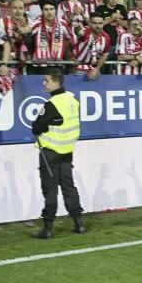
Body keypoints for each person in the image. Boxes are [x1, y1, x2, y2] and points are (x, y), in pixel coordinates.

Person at [31, 67, 86, 238]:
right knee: (69, 186)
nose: (44, 83)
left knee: (50, 190)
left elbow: (36, 127)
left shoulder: (52, 104)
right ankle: (78, 223)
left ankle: (47, 228)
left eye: (47, 80)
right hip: (67, 150)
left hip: (50, 152)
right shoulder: (72, 100)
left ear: (56, 82)